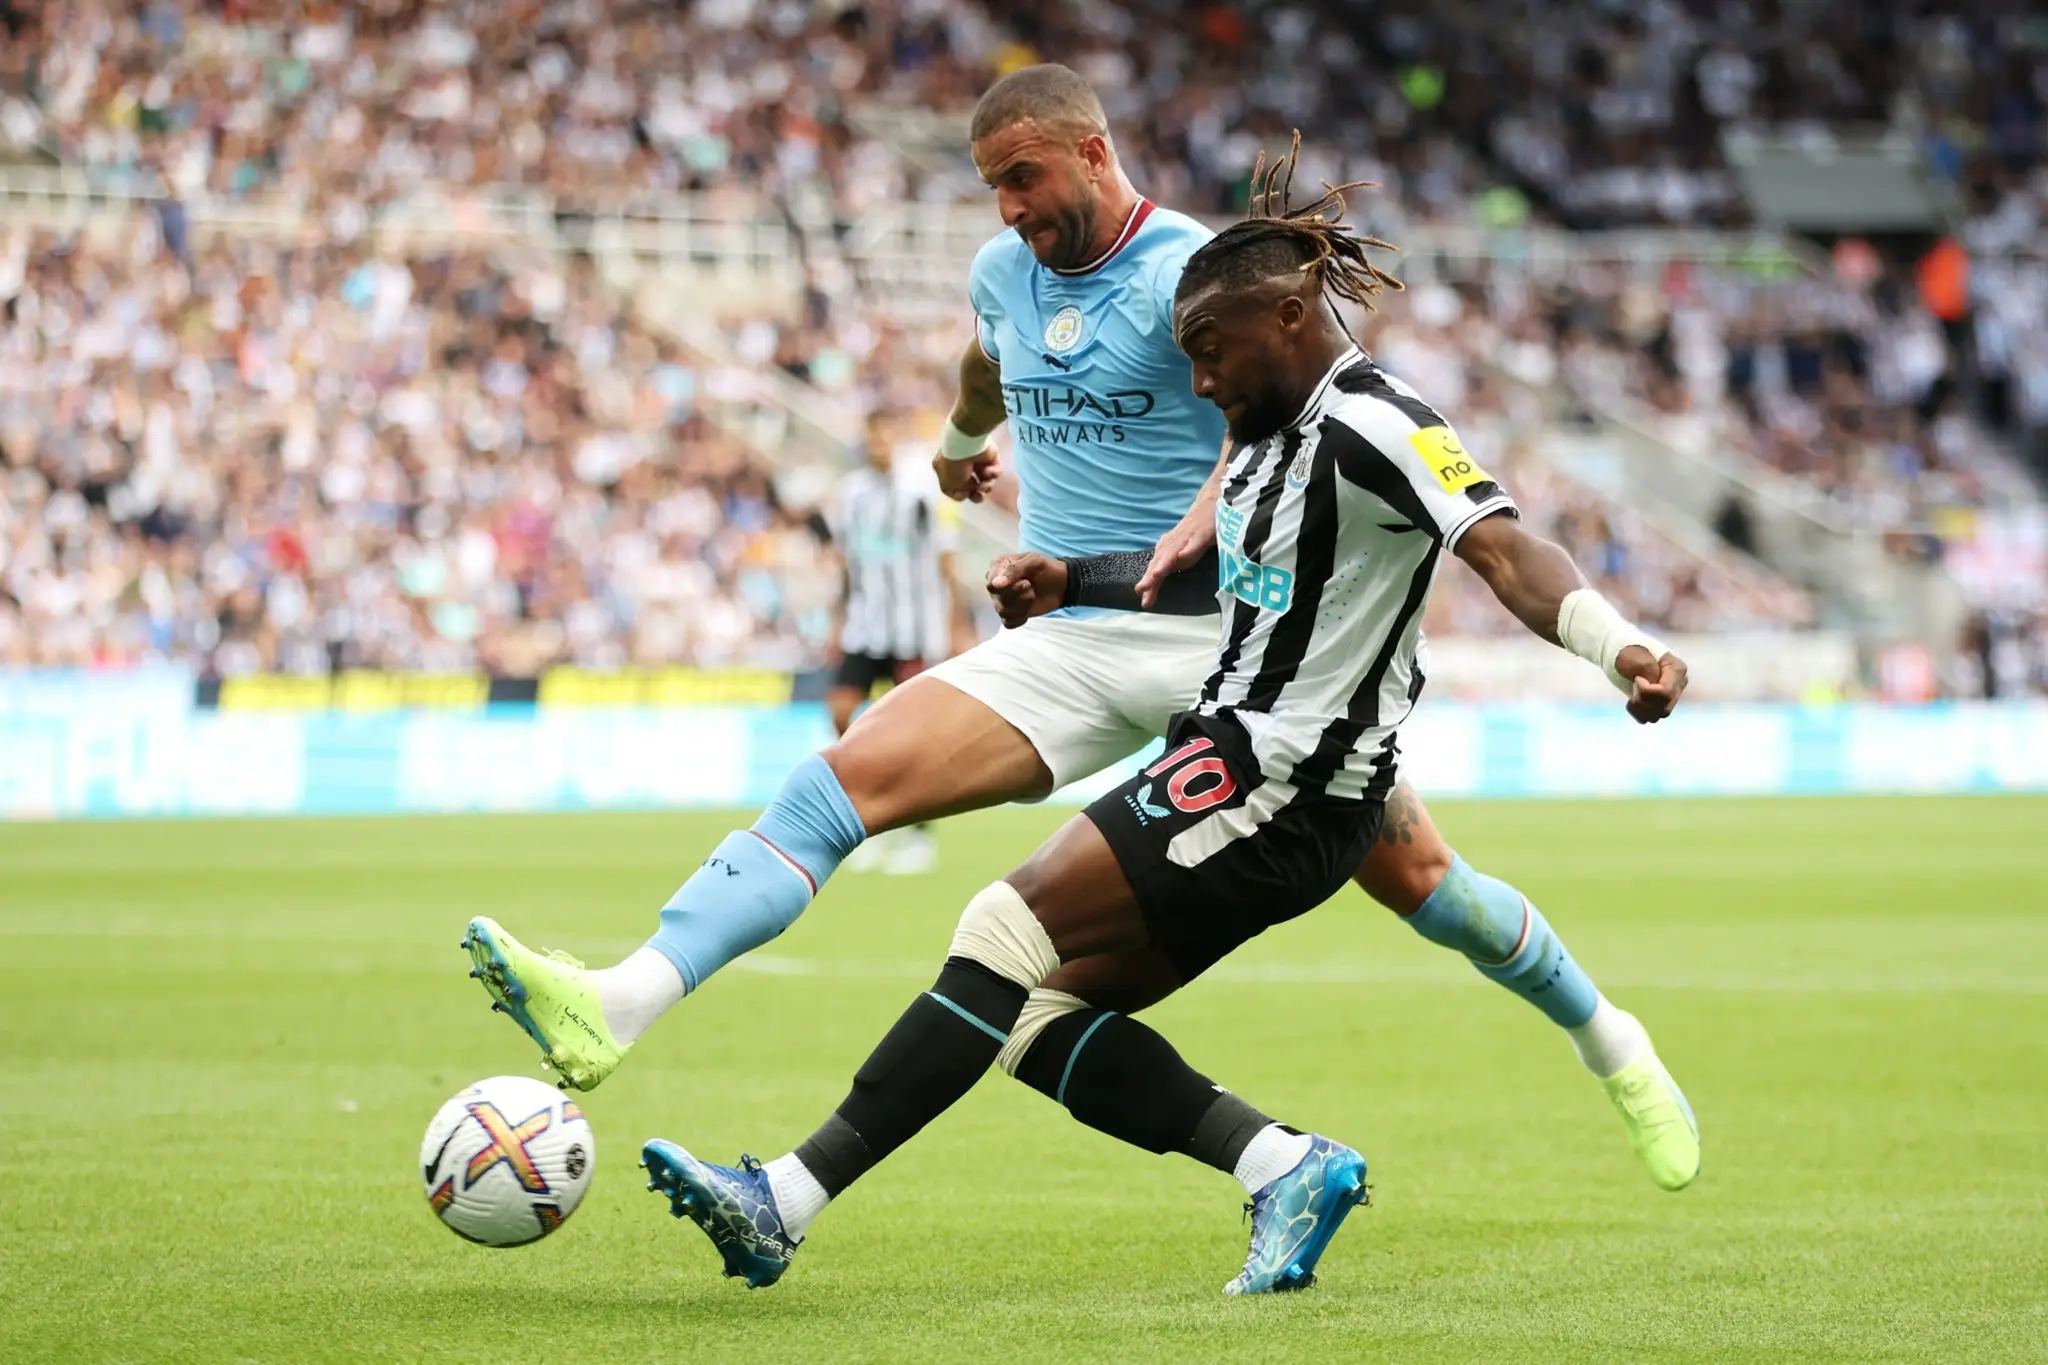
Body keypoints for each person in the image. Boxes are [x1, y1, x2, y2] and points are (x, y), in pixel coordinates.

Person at [461, 66, 1697, 1194]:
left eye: (1022, 179)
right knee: (841, 783)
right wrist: (956, 451)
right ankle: (618, 1001)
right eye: (990, 186)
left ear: (1093, 156)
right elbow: (986, 362)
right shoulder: (1001, 277)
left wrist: (1196, 526)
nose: (1006, 208)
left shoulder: (1199, 276)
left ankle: (1611, 1040)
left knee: (1434, 890)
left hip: (1235, 652)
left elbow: (1295, 413)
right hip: (1074, 625)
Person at [825, 412, 961, 876]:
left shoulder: (921, 491)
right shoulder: (852, 495)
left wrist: (954, 625)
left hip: (914, 630)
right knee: (842, 714)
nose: (877, 445)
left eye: (885, 436)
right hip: (866, 627)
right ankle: (860, 826)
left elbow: (946, 559)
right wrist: (836, 618)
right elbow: (847, 563)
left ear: (895, 441)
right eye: (871, 437)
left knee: (917, 734)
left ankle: (919, 836)